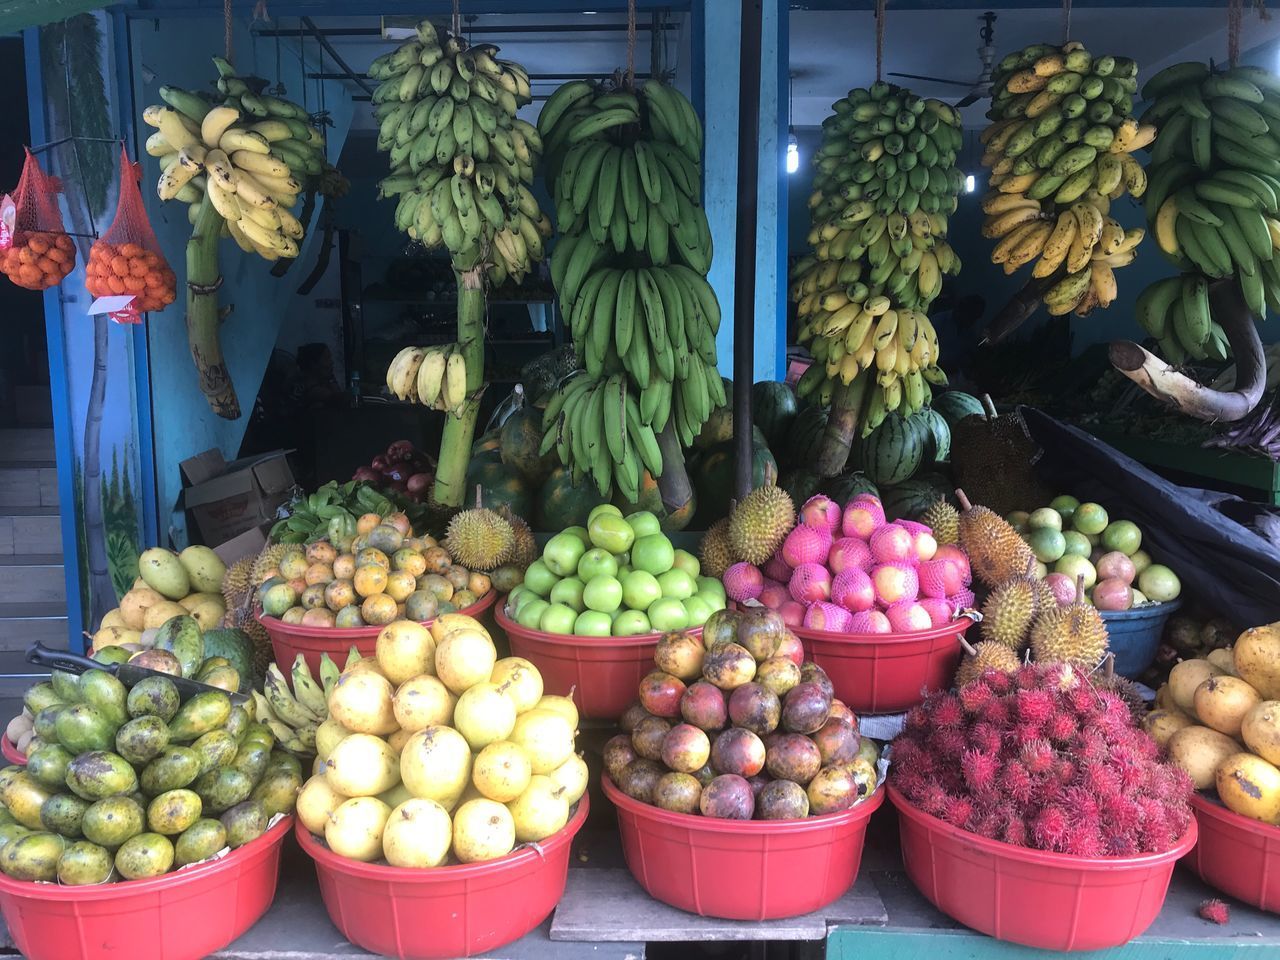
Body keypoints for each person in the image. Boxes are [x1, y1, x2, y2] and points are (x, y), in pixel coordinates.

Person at [297, 342, 346, 411]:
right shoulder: (309, 387)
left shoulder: (324, 381)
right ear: (313, 364)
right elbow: (338, 399)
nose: (331, 362)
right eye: (326, 358)